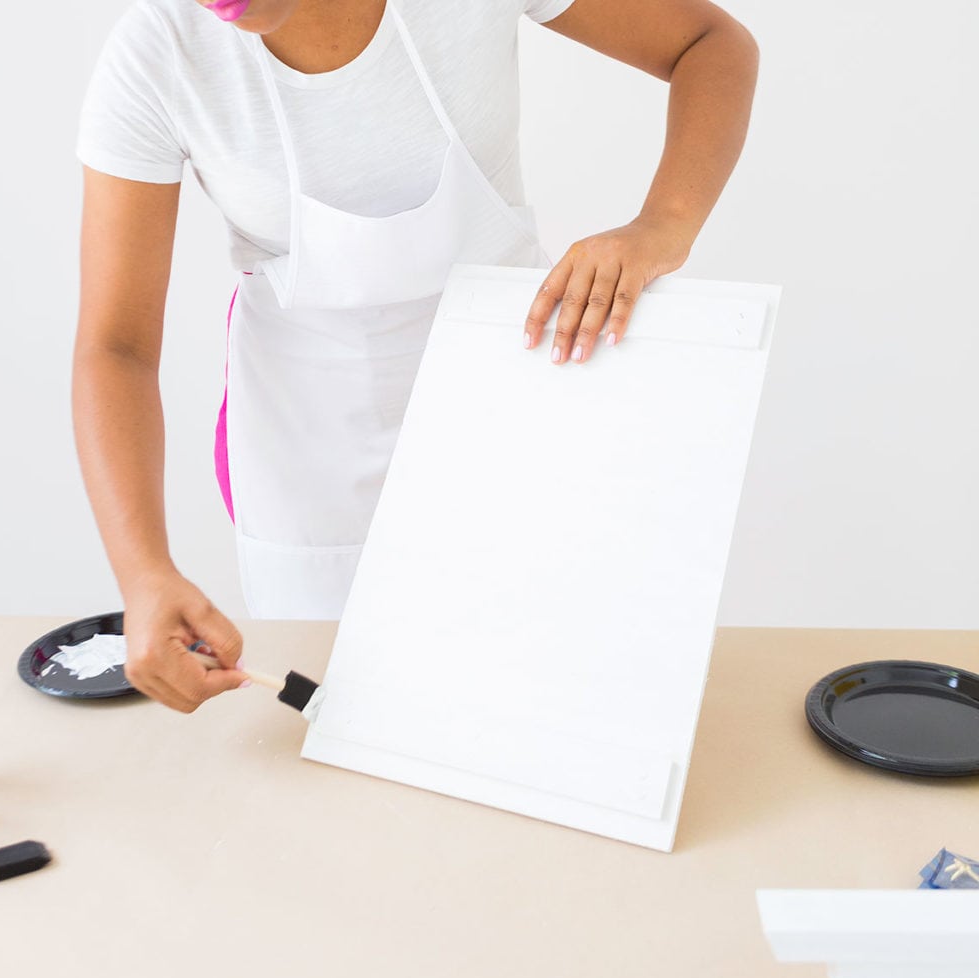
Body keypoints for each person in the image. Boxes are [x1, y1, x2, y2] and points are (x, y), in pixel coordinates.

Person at [73, 0, 759, 713]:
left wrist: (663, 226)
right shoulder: (159, 51)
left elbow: (711, 43)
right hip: (310, 458)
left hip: (521, 403)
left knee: (555, 706)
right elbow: (113, 347)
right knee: (352, 728)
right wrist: (143, 572)